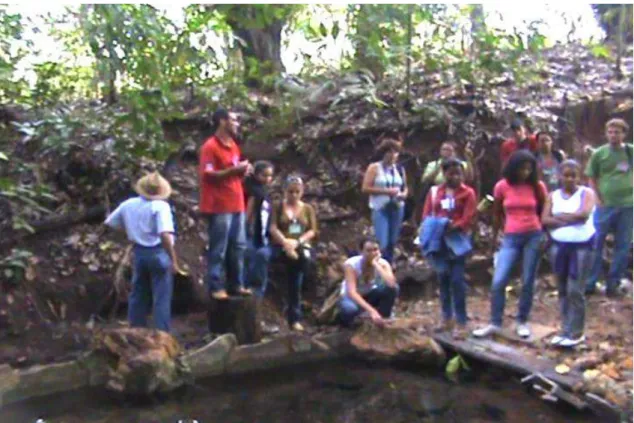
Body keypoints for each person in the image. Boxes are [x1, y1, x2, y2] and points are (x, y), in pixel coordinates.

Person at [473, 150, 548, 339]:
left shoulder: (537, 186)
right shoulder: (502, 186)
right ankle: (495, 322)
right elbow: (497, 213)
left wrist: (544, 233)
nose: (525, 172)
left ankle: (522, 321)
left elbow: (544, 210)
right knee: (499, 280)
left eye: (529, 168)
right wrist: (493, 238)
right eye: (522, 168)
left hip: (533, 234)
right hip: (511, 236)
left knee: (528, 280)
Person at [104, 172, 184, 333]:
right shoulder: (161, 206)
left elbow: (110, 223)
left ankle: (136, 331)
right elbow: (164, 234)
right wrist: (174, 260)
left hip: (139, 253)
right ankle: (162, 334)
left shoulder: (129, 204)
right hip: (158, 252)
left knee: (138, 294)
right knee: (161, 297)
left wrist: (131, 231)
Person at [542, 160, 596, 348]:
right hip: (558, 247)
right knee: (563, 289)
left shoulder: (586, 193)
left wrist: (560, 218)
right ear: (559, 176)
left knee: (575, 290)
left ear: (579, 176)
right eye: (566, 175)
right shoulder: (553, 195)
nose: (570, 179)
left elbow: (584, 215)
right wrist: (569, 219)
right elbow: (545, 219)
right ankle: (565, 328)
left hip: (581, 247)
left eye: (573, 175)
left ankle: (576, 332)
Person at [199, 109, 252, 300]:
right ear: (222, 121)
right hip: (219, 205)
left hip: (237, 203)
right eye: (233, 119)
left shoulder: (233, 145)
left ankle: (236, 283)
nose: (237, 123)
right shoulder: (210, 147)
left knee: (238, 246)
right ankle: (215, 286)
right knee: (219, 248)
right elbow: (209, 175)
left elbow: (234, 171)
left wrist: (243, 171)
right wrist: (233, 171)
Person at [421, 158, 477, 338]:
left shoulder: (468, 193)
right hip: (439, 241)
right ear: (444, 174)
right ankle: (446, 318)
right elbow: (427, 214)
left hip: (457, 240)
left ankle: (461, 322)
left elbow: (469, 217)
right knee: (443, 278)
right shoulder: (435, 192)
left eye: (459, 173)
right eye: (451, 173)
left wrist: (454, 225)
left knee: (457, 280)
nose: (455, 177)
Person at [584, 118, 633, 297]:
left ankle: (614, 283)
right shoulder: (599, 154)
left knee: (623, 245)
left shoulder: (630, 151)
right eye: (610, 132)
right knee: (596, 242)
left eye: (617, 132)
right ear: (606, 134)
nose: (613, 135)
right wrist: (596, 197)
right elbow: (592, 177)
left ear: (624, 134)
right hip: (605, 205)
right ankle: (590, 282)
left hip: (628, 205)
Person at [269, 175, 318, 331]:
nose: (294, 195)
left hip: (300, 245)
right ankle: (288, 314)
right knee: (293, 263)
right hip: (282, 244)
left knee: (299, 267)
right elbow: (273, 228)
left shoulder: (308, 209)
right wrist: (285, 242)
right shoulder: (277, 207)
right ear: (284, 191)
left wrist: (297, 242)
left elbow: (312, 230)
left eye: (297, 192)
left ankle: (295, 316)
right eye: (290, 192)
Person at [361, 139, 408, 264]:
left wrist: (403, 194)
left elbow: (405, 187)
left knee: (393, 240)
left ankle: (389, 266)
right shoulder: (375, 167)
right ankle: (379, 267)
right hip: (380, 207)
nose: (393, 156)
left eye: (395, 153)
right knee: (383, 241)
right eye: (390, 152)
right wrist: (386, 191)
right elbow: (365, 188)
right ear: (384, 153)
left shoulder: (399, 169)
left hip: (397, 207)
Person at [338, 237, 399, 326]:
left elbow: (392, 284)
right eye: (369, 251)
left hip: (369, 294)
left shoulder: (383, 263)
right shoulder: (351, 264)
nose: (373, 253)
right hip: (351, 298)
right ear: (361, 252)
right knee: (350, 310)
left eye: (375, 250)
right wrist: (372, 311)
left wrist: (376, 265)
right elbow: (352, 292)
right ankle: (348, 324)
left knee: (393, 289)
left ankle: (383, 318)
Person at [244, 161, 274, 297]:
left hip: (261, 233)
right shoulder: (254, 191)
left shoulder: (263, 191)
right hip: (252, 231)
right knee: (249, 255)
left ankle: (256, 291)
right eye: (264, 175)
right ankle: (247, 287)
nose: (267, 179)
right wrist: (246, 226)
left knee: (259, 256)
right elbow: (249, 212)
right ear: (256, 175)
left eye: (270, 176)